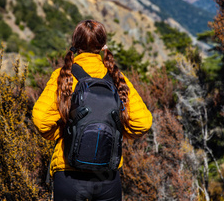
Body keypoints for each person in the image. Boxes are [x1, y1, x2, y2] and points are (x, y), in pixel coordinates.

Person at [32, 19, 153, 201]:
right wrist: (114, 130)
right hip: (107, 176)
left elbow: (41, 118)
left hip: (69, 174)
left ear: (75, 44)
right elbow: (143, 122)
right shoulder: (117, 78)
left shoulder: (62, 75)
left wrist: (64, 133)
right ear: (103, 45)